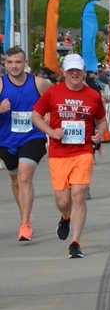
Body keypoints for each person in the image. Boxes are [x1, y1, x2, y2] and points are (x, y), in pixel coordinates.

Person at [30, 54, 106, 258]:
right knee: (63, 200)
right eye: (71, 70)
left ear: (83, 72)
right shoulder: (53, 93)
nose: (75, 74)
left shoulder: (93, 95)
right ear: (64, 73)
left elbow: (102, 120)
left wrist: (100, 134)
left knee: (79, 195)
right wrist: (51, 131)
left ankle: (75, 242)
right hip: (59, 153)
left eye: (78, 70)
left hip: (82, 152)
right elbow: (35, 115)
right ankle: (65, 217)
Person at [0, 46, 52, 241]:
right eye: (10, 62)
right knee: (15, 180)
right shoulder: (1, 84)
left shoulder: (40, 83)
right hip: (6, 139)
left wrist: (48, 116)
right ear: (5, 63)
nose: (14, 66)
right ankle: (26, 214)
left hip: (33, 137)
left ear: (25, 63)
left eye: (18, 62)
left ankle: (24, 226)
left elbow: (54, 103)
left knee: (23, 177)